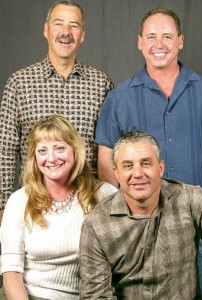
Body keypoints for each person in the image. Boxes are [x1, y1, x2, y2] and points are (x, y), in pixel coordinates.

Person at [95, 7, 202, 295]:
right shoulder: (119, 97)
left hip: (201, 230)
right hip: (141, 230)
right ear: (139, 42)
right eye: (152, 36)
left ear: (180, 41)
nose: (160, 44)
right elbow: (107, 160)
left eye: (167, 36)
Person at [0, 0, 113, 218]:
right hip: (34, 204)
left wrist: (107, 204)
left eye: (74, 25)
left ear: (83, 34)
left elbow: (107, 150)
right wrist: (2, 204)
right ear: (46, 29)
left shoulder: (101, 84)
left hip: (87, 205)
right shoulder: (19, 83)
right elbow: (4, 148)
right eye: (58, 24)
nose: (66, 32)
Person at [0, 115, 117, 300]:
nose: (52, 158)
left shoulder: (104, 195)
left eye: (60, 148)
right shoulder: (19, 201)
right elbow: (11, 274)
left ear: (75, 151)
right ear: (34, 157)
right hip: (28, 295)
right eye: (42, 151)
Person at [80, 131, 202, 300]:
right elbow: (95, 296)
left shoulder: (191, 200)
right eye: (127, 166)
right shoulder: (96, 225)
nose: (138, 173)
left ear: (160, 168)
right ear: (116, 173)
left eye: (146, 163)